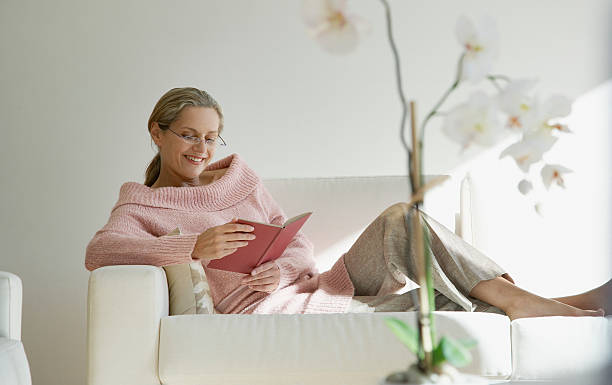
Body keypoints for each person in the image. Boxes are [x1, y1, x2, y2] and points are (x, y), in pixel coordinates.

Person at [85, 87, 610, 319]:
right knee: (436, 306)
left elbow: (296, 243)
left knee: (400, 220)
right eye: (189, 135)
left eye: (211, 137)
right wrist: (191, 248)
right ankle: (562, 305)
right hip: (261, 312)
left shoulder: (240, 180)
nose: (201, 149)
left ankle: (524, 301)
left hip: (304, 286)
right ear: (157, 133)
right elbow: (101, 252)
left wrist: (283, 269)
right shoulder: (141, 205)